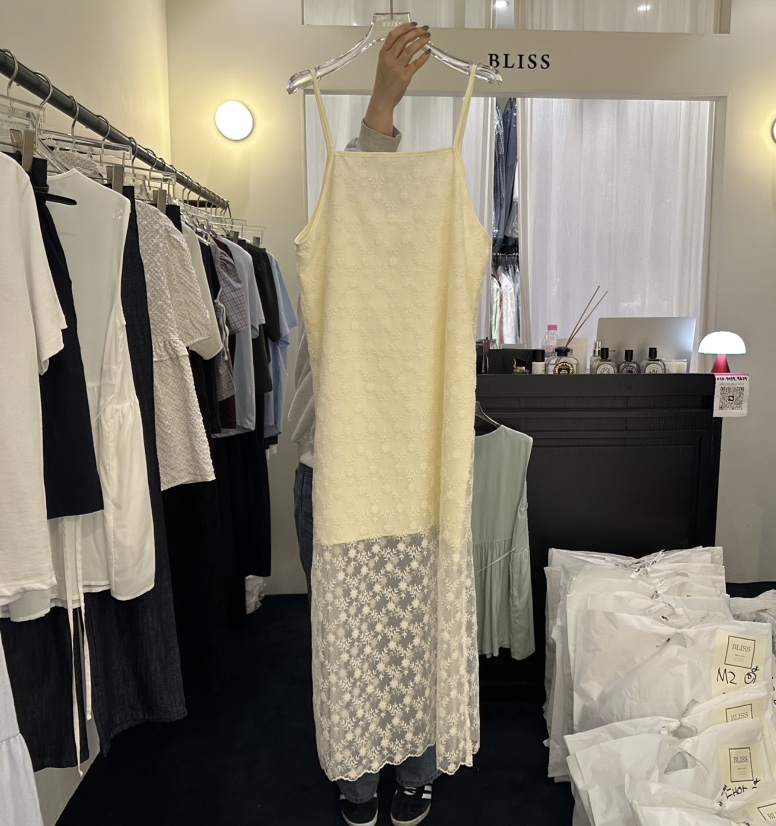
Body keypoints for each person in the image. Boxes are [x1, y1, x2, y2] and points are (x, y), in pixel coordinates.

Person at [288, 21, 442, 826]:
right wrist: (381, 107)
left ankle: (413, 767)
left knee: (413, 634)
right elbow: (362, 201)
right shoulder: (343, 257)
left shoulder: (427, 278)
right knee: (347, 638)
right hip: (335, 472)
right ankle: (356, 776)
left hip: (413, 476)